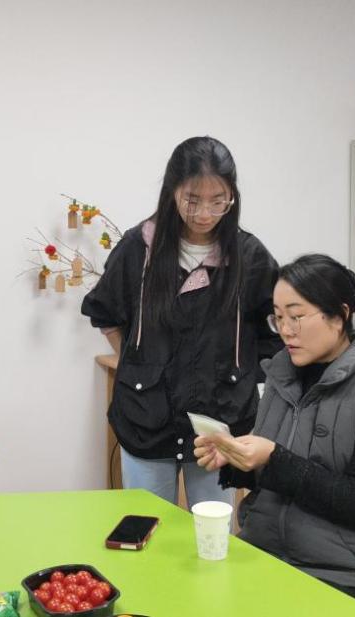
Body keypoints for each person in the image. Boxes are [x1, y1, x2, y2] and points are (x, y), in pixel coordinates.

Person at [194, 254, 355, 617]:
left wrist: (273, 458)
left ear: (339, 315)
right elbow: (278, 472)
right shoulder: (283, 377)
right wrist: (237, 461)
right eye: (278, 317)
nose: (286, 330)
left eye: (297, 316)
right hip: (273, 551)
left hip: (353, 572)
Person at [81, 136, 282, 508]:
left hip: (218, 424)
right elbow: (105, 313)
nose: (204, 213)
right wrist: (138, 362)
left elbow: (275, 330)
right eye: (192, 199)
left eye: (218, 201)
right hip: (146, 418)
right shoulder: (139, 247)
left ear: (232, 197)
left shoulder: (248, 256)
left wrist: (243, 376)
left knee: (212, 529)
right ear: (172, 191)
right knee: (148, 528)